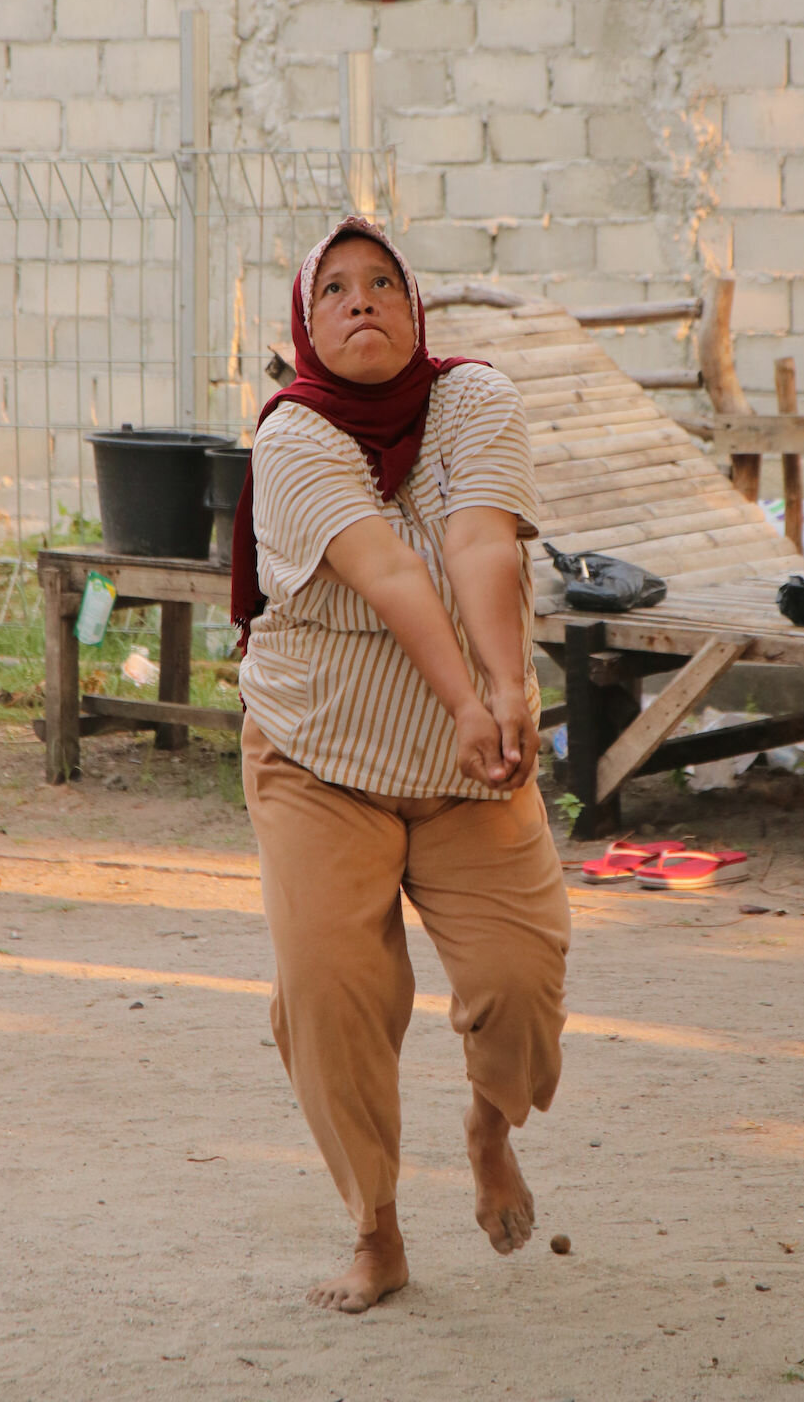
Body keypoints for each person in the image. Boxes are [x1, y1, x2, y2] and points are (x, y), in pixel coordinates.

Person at [232, 215, 570, 1315]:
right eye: (334, 289)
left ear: (416, 309)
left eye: (382, 282)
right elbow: (387, 572)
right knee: (329, 991)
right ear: (306, 324)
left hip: (472, 762)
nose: (361, 300)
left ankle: (487, 1129)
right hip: (320, 752)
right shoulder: (291, 435)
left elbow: (477, 540)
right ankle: (375, 1230)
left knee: (521, 989)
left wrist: (506, 693)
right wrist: (470, 698)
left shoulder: (475, 399)